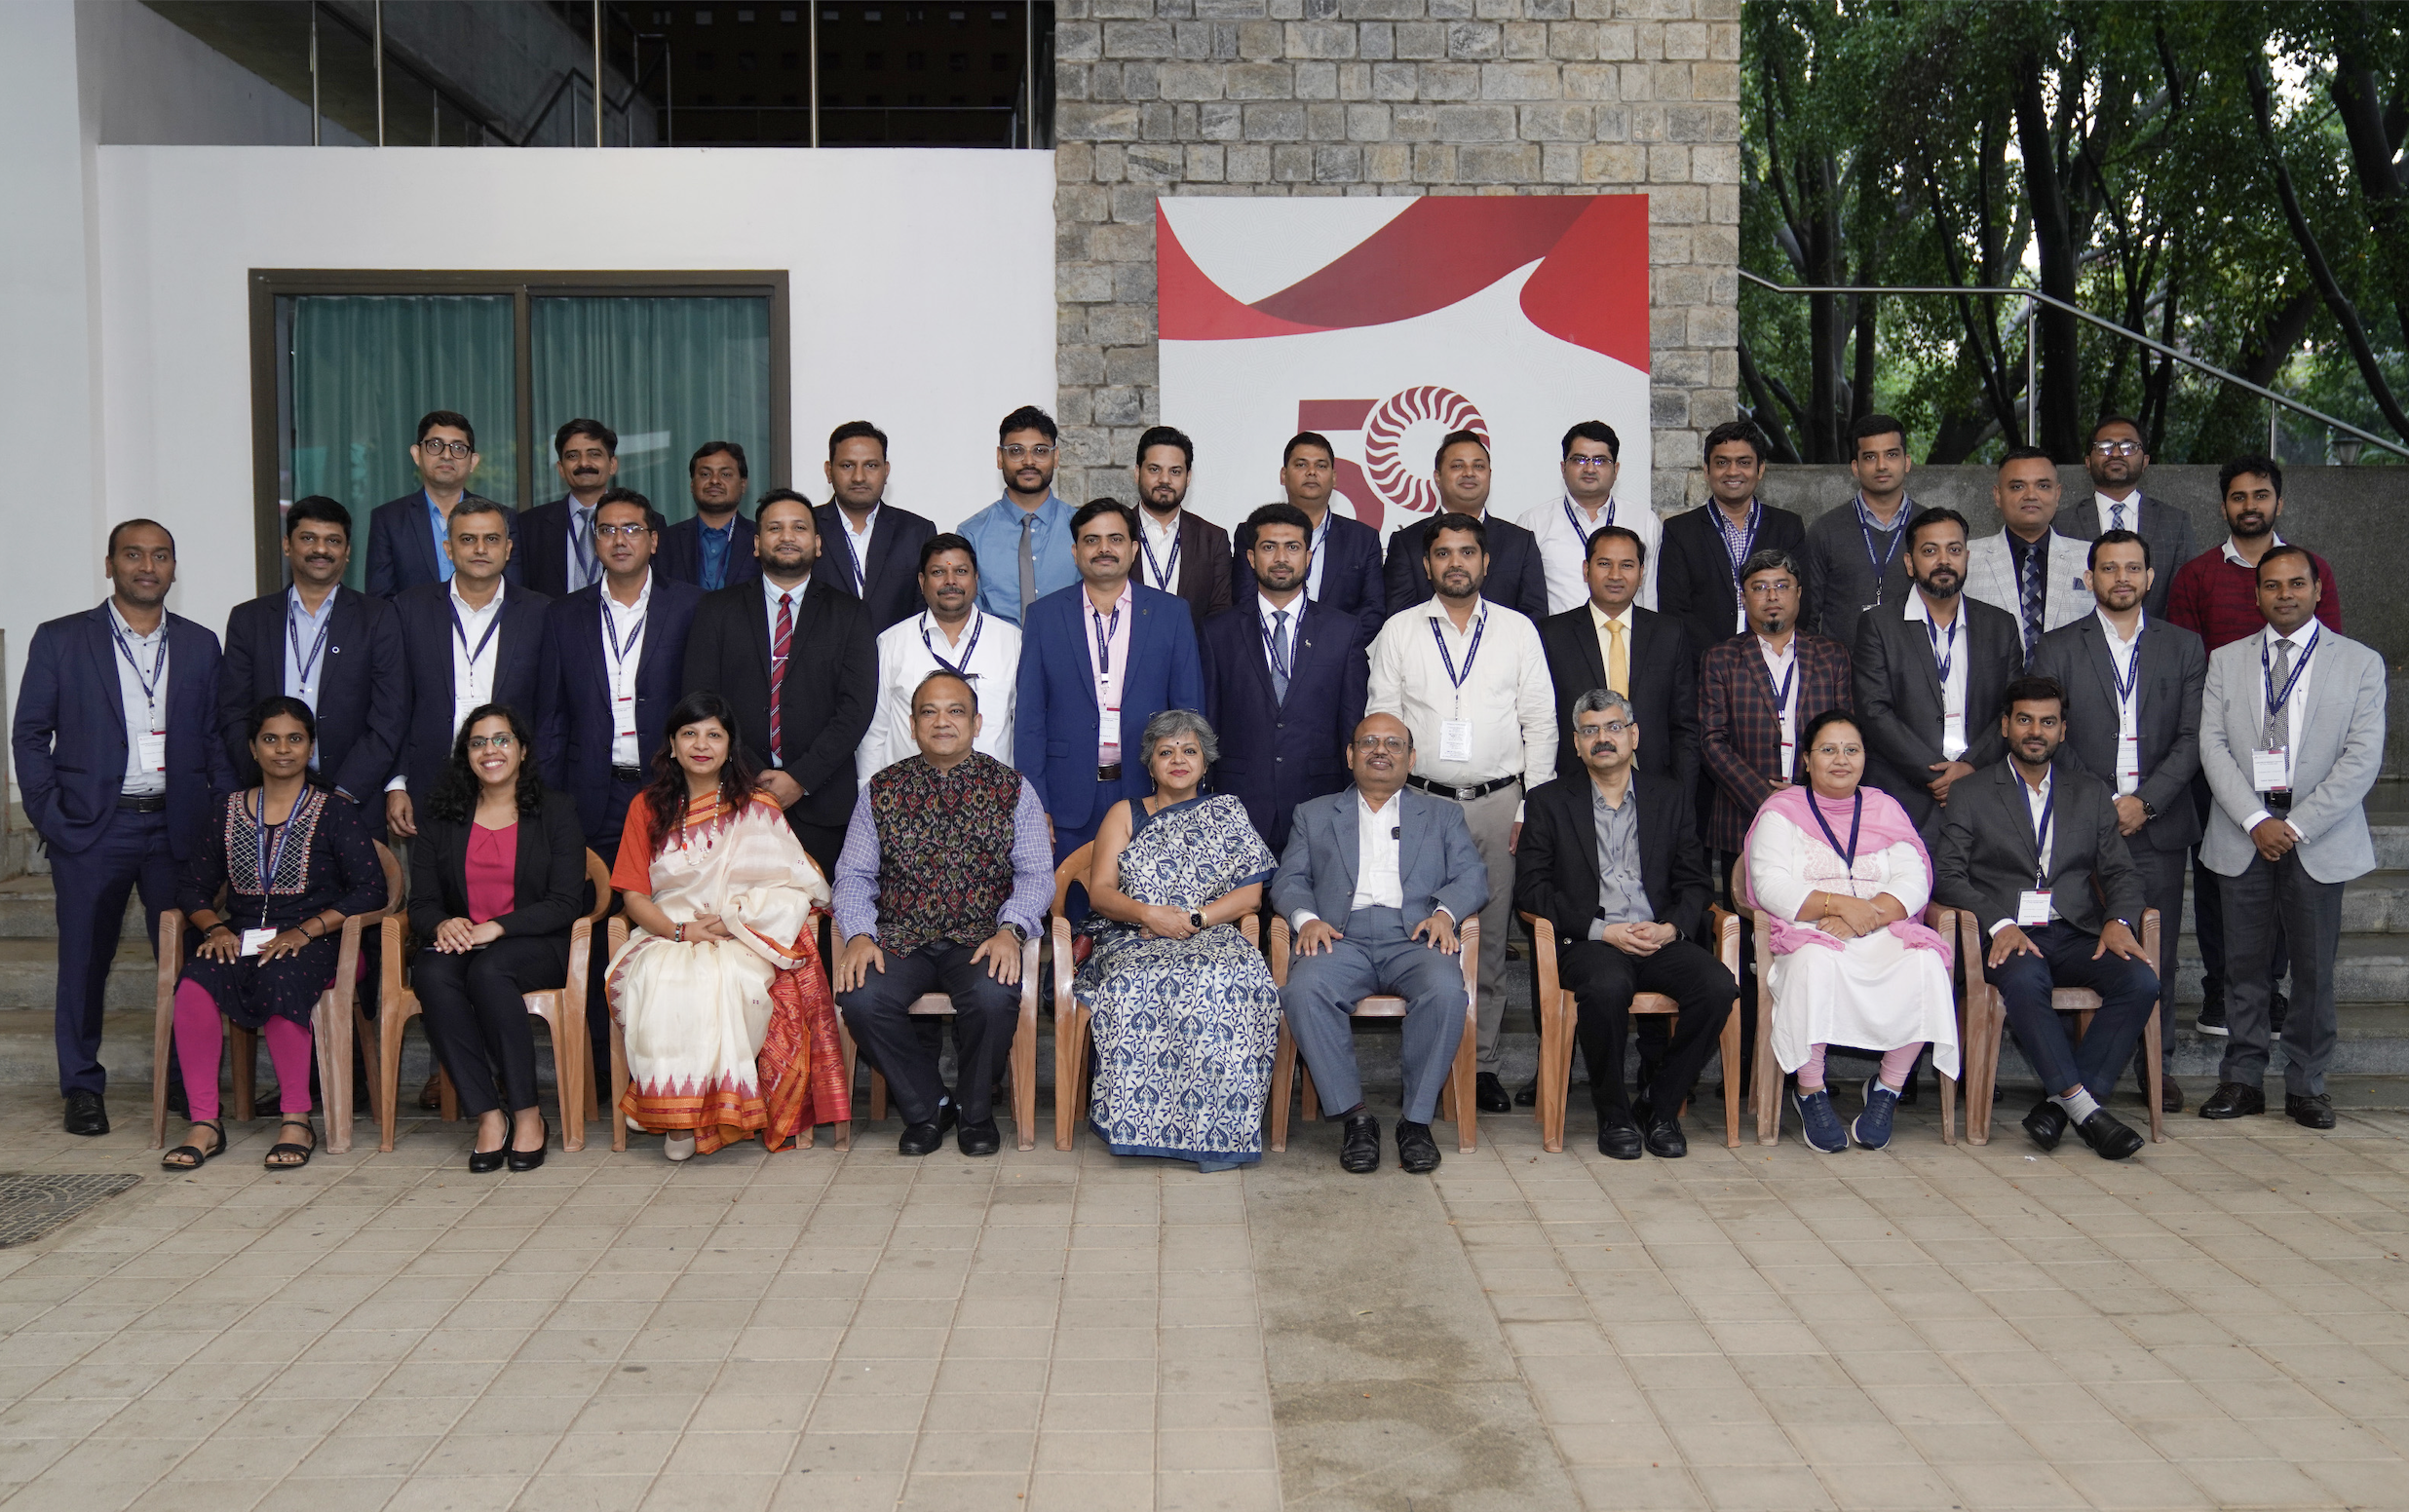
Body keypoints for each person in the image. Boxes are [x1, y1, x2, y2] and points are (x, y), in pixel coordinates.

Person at [13, 520, 232, 1136]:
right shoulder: (60, 639)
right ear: (109, 564)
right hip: (92, 829)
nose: (147, 566)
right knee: (84, 961)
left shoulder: (198, 643)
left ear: (172, 568)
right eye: (133, 555)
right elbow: (30, 734)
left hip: (176, 829)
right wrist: (51, 816)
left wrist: (225, 821)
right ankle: (81, 1086)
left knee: (191, 957)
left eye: (160, 556)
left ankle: (189, 1086)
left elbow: (214, 740)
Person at [1366, 511, 1555, 1115]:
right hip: (1419, 805)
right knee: (1415, 936)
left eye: (1467, 552)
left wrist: (1534, 804)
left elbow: (1541, 723)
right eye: (1443, 554)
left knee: (1491, 941)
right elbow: (1383, 725)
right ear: (1427, 565)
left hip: (1500, 804)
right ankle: (1424, 1065)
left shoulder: (1518, 630)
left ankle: (1484, 1064)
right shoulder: (1399, 630)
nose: (1456, 563)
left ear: (1485, 561)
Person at [608, 691, 849, 1159]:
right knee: (663, 976)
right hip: (666, 931)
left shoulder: (757, 806)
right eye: (689, 734)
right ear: (672, 747)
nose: (702, 744)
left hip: (740, 936)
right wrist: (679, 932)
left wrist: (735, 916)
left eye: (713, 735)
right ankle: (680, 1117)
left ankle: (709, 1115)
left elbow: (800, 884)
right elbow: (634, 895)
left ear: (729, 745)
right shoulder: (647, 807)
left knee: (723, 977)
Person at [2196, 546, 2385, 1130]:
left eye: (2296, 584)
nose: (2285, 595)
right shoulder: (2226, 660)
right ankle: (2243, 1079)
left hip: (2318, 838)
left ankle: (2306, 1084)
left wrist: (2296, 826)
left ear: (2318, 590)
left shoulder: (2360, 663)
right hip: (2243, 832)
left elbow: (2361, 759)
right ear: (2256, 596)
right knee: (2243, 967)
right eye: (2272, 586)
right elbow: (2213, 747)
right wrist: (2257, 821)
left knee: (2313, 969)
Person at [1934, 676, 2156, 1161]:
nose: (2036, 730)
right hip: (2007, 936)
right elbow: (1947, 874)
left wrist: (2119, 919)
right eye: (2025, 719)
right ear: (2005, 725)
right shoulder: (1971, 792)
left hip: (2076, 931)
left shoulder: (2089, 791)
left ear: (2062, 731)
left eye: (2048, 722)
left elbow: (2121, 871)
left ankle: (2060, 1107)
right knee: (2027, 975)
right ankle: (2086, 1108)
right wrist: (1997, 922)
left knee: (2140, 981)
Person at [159, 698, 385, 1171]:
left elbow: (370, 890)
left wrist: (306, 930)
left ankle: (297, 1118)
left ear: (310, 747)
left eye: (295, 739)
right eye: (271, 739)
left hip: (323, 942)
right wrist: (214, 927)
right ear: (253, 748)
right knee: (195, 985)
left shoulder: (334, 812)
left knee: (281, 975)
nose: (283, 749)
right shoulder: (225, 810)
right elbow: (193, 887)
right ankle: (204, 1122)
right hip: (241, 937)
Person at [832, 672, 1050, 1156]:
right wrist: (860, 935)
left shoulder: (1012, 788)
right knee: (862, 998)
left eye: (955, 711)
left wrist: (1011, 930)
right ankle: (929, 1105)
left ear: (977, 722)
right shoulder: (881, 790)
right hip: (901, 936)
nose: (942, 721)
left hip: (981, 935)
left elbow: (1036, 874)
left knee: (994, 997)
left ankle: (975, 1114)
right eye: (929, 711)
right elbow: (853, 875)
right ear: (911, 725)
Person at [2027, 530, 2205, 1113]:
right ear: (2090, 578)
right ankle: (2083, 1071)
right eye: (2109, 568)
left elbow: (2190, 738)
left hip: (2158, 823)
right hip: (2081, 821)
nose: (2121, 578)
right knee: (2083, 937)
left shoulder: (2183, 647)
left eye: (2133, 567)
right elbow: (2052, 734)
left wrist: (2145, 802)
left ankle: (2159, 1067)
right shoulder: (2056, 646)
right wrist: (2102, 804)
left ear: (2151, 578)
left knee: (2157, 949)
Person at [1514, 691, 1736, 1159]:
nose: (1603, 739)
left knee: (1718, 986)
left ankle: (1660, 1103)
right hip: (1590, 940)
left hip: (1657, 935)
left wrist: (1671, 928)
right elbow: (1531, 891)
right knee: (1607, 986)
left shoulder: (1670, 798)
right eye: (1590, 731)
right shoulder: (1548, 802)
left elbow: (1695, 883)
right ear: (1576, 745)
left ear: (1634, 735)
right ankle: (1614, 1114)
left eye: (1613, 727)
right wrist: (1600, 930)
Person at [2166, 456, 2343, 1037]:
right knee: (2223, 877)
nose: (2250, 506)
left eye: (2260, 495)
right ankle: (2222, 990)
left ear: (2279, 502)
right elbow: (2185, 665)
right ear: (2224, 507)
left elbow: (2332, 656)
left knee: (2293, 872)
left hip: (2299, 757)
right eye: (2238, 497)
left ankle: (2272, 989)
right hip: (2220, 756)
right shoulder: (2195, 576)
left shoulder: (2311, 570)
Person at [1272, 713, 1490, 1175]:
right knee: (1303, 990)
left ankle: (1414, 1123)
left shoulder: (1443, 814)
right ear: (1350, 755)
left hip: (1413, 934)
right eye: (1368, 741)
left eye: (1393, 743)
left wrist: (1445, 914)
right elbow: (1289, 879)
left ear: (1411, 758)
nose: (1380, 750)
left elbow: (1472, 876)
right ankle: (1355, 1117)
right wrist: (1306, 919)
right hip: (1338, 936)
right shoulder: (1313, 813)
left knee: (1447, 991)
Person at [1738, 710, 1958, 1154]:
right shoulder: (1781, 813)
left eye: (1851, 750)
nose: (1841, 760)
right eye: (1829, 750)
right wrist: (1839, 906)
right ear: (1806, 760)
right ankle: (1810, 1091)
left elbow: (1914, 880)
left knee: (1926, 963)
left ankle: (1888, 1089)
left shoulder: (1885, 808)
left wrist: (1869, 917)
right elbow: (1771, 886)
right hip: (1810, 931)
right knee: (1816, 963)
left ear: (1864, 758)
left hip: (1882, 930)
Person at [1072, 710, 1281, 1168]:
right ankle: (1140, 1125)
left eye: (1190, 751)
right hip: (1133, 934)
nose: (1179, 760)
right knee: (1134, 985)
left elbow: (1250, 894)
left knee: (1232, 979)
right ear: (1150, 764)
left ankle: (1219, 1130)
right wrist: (1148, 913)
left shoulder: (1227, 812)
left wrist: (1192, 919)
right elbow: (1102, 892)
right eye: (1166, 752)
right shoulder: (1123, 814)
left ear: (1206, 763)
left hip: (1210, 932)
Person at [404, 704, 586, 1173]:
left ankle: (528, 1114)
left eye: (502, 740)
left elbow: (566, 902)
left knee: (491, 971)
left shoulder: (556, 810)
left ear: (522, 751)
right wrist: (443, 923)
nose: (491, 750)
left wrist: (500, 926)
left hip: (534, 943)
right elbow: (421, 902)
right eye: (479, 742)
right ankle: (488, 1114)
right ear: (466, 754)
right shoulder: (443, 815)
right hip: (463, 941)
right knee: (430, 972)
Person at [680, 489, 878, 879]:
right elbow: (701, 701)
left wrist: (800, 779)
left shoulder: (850, 613)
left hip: (821, 802)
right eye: (774, 527)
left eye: (799, 527)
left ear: (817, 544)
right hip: (732, 795)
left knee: (819, 925)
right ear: (757, 544)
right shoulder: (716, 610)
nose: (787, 536)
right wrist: (752, 776)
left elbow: (856, 708)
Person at [1013, 499, 1205, 859]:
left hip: (1150, 786)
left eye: (1115, 539)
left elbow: (1188, 712)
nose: (1104, 549)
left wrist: (1184, 797)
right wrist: (1035, 803)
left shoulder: (1171, 613)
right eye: (1092, 540)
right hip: (1068, 792)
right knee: (1068, 908)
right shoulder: (1044, 616)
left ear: (1133, 549)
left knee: (1147, 908)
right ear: (1075, 551)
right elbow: (1029, 719)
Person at [536, 490, 704, 865]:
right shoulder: (562, 615)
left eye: (631, 529)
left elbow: (705, 704)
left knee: (671, 909)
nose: (619, 540)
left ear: (654, 539)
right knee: (596, 909)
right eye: (607, 530)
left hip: (673, 786)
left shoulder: (692, 606)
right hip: (592, 795)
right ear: (595, 541)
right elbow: (552, 718)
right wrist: (548, 799)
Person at [1200, 502, 1368, 854]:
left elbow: (1352, 723)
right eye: (1268, 547)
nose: (1280, 557)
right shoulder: (1218, 632)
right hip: (1237, 806)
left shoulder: (1343, 631)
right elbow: (1208, 723)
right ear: (1250, 557)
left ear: (1308, 556)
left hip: (1320, 802)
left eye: (1292, 547)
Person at [384, 499, 553, 844]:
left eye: (491, 539)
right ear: (448, 548)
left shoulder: (541, 612)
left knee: (511, 894)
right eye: (467, 539)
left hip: (514, 787)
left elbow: (550, 708)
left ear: (508, 549)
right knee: (431, 895)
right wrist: (396, 784)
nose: (480, 549)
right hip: (429, 783)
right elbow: (393, 703)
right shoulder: (409, 608)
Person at [217, 495, 403, 804]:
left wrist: (343, 794)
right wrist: (265, 781)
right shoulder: (248, 619)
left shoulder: (379, 618)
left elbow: (389, 717)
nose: (321, 549)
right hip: (267, 799)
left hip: (352, 799)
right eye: (308, 538)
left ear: (347, 552)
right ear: (287, 544)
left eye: (333, 540)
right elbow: (234, 712)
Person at [1853, 507, 2021, 846]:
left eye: (1954, 549)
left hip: (1984, 790)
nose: (1944, 560)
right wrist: (1938, 772)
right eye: (1930, 551)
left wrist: (1969, 768)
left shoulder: (1999, 625)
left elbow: (2013, 709)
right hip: (1905, 794)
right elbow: (1874, 710)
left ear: (1967, 557)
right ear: (1910, 562)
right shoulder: (1880, 624)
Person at [1699, 549, 1854, 868]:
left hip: (1819, 811)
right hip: (1743, 815)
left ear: (1798, 593)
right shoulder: (1721, 658)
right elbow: (1712, 741)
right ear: (1744, 598)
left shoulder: (1831, 656)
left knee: (1816, 911)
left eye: (1782, 586)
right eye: (1759, 587)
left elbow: (1845, 737)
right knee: (1746, 916)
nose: (1772, 595)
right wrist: (1767, 798)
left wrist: (1807, 794)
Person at [1537, 525, 1695, 791]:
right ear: (1586, 570)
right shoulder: (1551, 634)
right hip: (1573, 787)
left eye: (1627, 565)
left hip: (1655, 784)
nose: (1615, 575)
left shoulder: (1669, 633)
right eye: (1604, 564)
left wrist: (1683, 795)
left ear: (1642, 573)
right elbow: (1541, 721)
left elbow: (1685, 726)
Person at [858, 534, 1022, 779]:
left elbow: (1026, 728)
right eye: (938, 573)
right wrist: (869, 795)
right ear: (921, 581)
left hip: (991, 796)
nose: (950, 581)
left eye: (961, 571)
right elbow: (875, 731)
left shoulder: (1012, 641)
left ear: (976, 578)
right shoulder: (892, 642)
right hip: (906, 796)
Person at [1657, 421, 1810, 662]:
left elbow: (1800, 599)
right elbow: (1674, 610)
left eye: (1744, 462)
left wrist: (1763, 654)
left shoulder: (1787, 527)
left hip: (1776, 662)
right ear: (1706, 471)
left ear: (1760, 469)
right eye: (1722, 463)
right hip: (1704, 668)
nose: (1732, 472)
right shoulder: (1680, 531)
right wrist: (1721, 658)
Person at [1232, 432, 1391, 647]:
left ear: (1334, 477)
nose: (1312, 472)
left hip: (1338, 661)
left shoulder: (1363, 538)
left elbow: (1373, 609)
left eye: (1321, 466)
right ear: (1283, 475)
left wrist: (1327, 647)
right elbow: (1244, 599)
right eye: (1301, 465)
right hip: (1267, 653)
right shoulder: (1251, 532)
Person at [1384, 431, 1550, 623]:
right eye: (1457, 466)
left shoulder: (1520, 542)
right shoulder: (1407, 542)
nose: (1469, 473)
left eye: (1478, 466)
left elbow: (1534, 618)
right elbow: (1399, 619)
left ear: (1489, 475)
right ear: (1437, 477)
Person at [364, 410, 518, 597]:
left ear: (473, 462)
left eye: (458, 448)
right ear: (416, 454)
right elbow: (381, 601)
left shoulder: (502, 517)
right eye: (435, 445)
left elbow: (514, 596)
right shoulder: (389, 519)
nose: (446, 455)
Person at [2056, 414, 2196, 620]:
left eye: (2128, 447)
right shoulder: (2060, 523)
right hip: (2079, 645)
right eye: (2104, 447)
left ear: (2145, 461)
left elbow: (2185, 600)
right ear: (2087, 461)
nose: (2115, 454)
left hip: (2154, 645)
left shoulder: (2175, 523)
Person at [1802, 413, 1920, 656]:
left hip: (1914, 673)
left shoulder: (1930, 527)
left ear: (1907, 462)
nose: (1881, 465)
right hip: (1841, 677)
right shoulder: (1825, 530)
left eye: (1891, 454)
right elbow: (1808, 616)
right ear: (1855, 467)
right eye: (1870, 457)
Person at [1517, 420, 1663, 616]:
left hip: (1627, 642)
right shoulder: (1533, 523)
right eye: (1579, 460)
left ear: (1616, 470)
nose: (1590, 469)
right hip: (1557, 642)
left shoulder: (1644, 521)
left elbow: (1652, 597)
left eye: (1601, 460)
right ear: (1563, 467)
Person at [1965, 446, 2093, 662]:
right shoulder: (1966, 558)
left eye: (2043, 485)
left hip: (2071, 691)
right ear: (1997, 495)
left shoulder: (2091, 557)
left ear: (2057, 494)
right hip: (1993, 693)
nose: (2031, 495)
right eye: (2017, 486)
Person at [810, 420, 937, 633]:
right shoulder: (804, 528)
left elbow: (925, 610)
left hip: (896, 662)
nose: (858, 477)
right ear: (829, 471)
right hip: (823, 664)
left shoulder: (917, 532)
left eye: (871, 465)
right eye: (847, 465)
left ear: (886, 471)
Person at [958, 404, 1076, 624]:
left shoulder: (1081, 528)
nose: (1028, 461)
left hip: (1068, 654)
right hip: (996, 656)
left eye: (1040, 451)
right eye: (1016, 451)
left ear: (1056, 457)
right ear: (1000, 457)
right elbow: (968, 616)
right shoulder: (972, 534)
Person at [1129, 425, 1233, 630]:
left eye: (1175, 471)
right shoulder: (1116, 533)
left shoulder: (1212, 539)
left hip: (1192, 658)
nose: (1165, 480)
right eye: (1154, 469)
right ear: (1137, 473)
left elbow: (1220, 615)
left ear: (1188, 477)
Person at [518, 418, 620, 598]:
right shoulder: (530, 526)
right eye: (573, 456)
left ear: (612, 465)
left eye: (594, 454)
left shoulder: (645, 522)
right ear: (561, 468)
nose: (583, 463)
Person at [656, 441, 760, 592]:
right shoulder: (666, 540)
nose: (715, 481)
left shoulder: (761, 539)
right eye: (705, 474)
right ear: (692, 485)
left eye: (725, 474)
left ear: (743, 484)